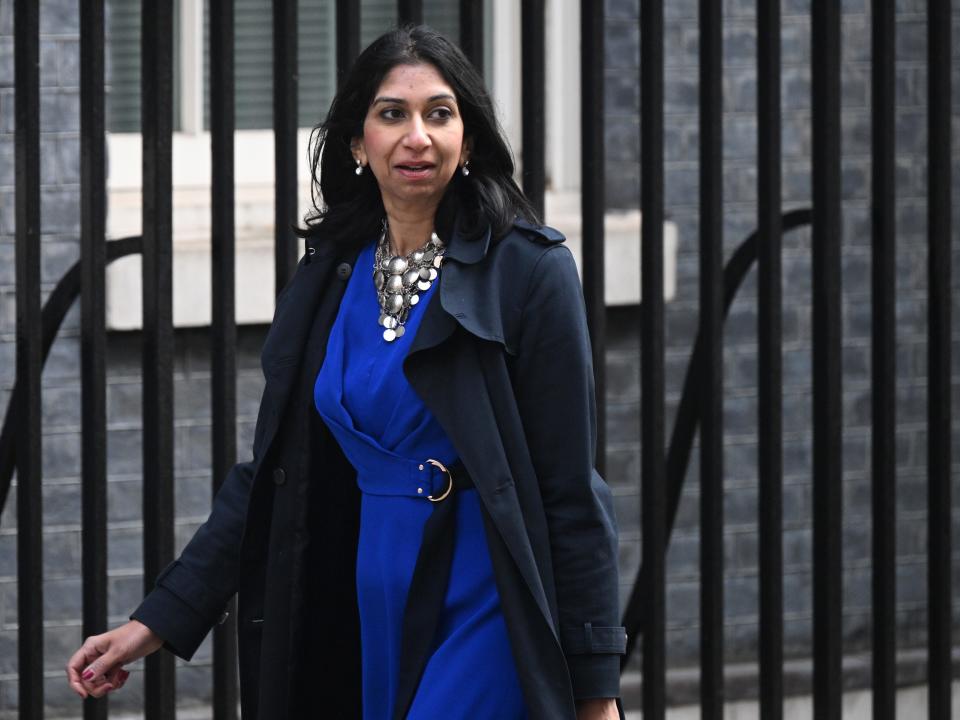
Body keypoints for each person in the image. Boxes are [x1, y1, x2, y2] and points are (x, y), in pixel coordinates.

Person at [66, 25, 624, 719]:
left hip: (486, 588)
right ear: (359, 143)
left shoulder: (531, 273)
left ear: (469, 139)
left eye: (439, 114)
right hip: (364, 589)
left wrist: (596, 689)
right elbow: (271, 474)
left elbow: (571, 489)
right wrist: (157, 620)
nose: (416, 135)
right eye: (392, 114)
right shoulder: (328, 274)